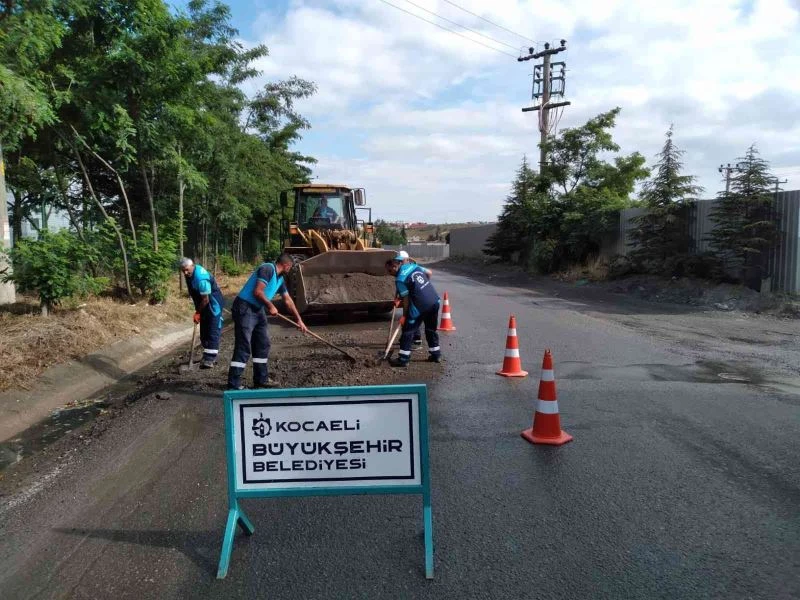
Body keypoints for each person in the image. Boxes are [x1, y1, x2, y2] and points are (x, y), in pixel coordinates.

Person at [227, 254, 308, 390]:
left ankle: (261, 379)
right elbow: (257, 292)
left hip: (257, 309)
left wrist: (299, 320)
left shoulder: (280, 279)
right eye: (291, 267)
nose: (290, 270)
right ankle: (233, 384)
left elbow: (288, 300)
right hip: (245, 307)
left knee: (263, 343)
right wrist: (270, 306)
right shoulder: (267, 269)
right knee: (244, 345)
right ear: (287, 266)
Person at [387, 253, 442, 367]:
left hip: (421, 304)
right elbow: (428, 273)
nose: (389, 274)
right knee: (431, 329)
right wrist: (421, 287)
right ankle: (436, 355)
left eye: (389, 271)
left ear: (395, 266)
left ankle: (403, 359)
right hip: (434, 300)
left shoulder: (400, 280)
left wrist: (405, 316)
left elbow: (406, 300)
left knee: (408, 330)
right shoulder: (413, 266)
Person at [179, 257, 224, 369]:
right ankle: (207, 355)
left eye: (187, 270)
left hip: (213, 303)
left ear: (192, 266)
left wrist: (198, 312)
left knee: (212, 329)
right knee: (204, 331)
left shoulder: (201, 278)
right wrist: (198, 311)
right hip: (203, 305)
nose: (185, 272)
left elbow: (205, 299)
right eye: (183, 270)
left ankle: (209, 359)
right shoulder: (190, 274)